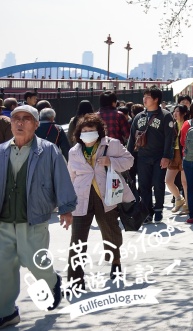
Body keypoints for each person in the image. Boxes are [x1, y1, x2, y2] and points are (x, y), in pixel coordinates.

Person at [0, 105, 76, 327]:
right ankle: (6, 312)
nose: (20, 123)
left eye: (26, 119)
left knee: (37, 264)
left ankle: (52, 282)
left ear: (35, 124)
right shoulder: (2, 150)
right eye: (15, 119)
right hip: (4, 221)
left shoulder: (49, 150)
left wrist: (66, 208)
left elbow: (62, 178)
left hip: (33, 219)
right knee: (3, 268)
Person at [66, 113, 134, 291]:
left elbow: (129, 160)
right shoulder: (74, 152)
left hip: (107, 197)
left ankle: (115, 262)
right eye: (84, 130)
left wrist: (110, 161)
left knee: (111, 233)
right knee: (77, 240)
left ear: (99, 132)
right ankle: (75, 279)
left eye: (91, 130)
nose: (87, 133)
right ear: (79, 133)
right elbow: (70, 177)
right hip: (81, 198)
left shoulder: (112, 145)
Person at [126, 87, 175, 223]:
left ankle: (158, 209)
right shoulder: (138, 116)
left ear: (156, 99)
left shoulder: (165, 115)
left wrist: (166, 156)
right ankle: (147, 211)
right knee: (143, 185)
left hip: (159, 156)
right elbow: (131, 138)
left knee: (158, 184)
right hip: (142, 157)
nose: (144, 99)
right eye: (144, 96)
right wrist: (128, 156)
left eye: (148, 97)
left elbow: (169, 138)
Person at [167, 103, 190, 214]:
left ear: (184, 113)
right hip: (173, 154)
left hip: (184, 154)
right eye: (174, 111)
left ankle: (188, 205)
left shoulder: (187, 124)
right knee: (168, 180)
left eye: (177, 111)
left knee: (184, 182)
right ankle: (179, 199)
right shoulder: (172, 125)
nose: (175, 113)